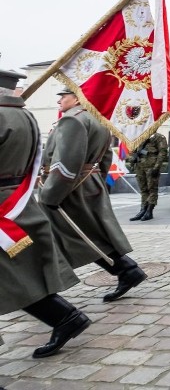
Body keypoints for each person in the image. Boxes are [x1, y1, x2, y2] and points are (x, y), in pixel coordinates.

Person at [0, 71, 91, 358]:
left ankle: (66, 318)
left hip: (5, 206)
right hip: (18, 200)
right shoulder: (24, 116)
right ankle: (66, 318)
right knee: (16, 274)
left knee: (14, 273)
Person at [40, 87, 147, 302]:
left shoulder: (72, 120)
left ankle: (44, 293)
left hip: (69, 187)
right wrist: (98, 182)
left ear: (77, 97)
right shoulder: (98, 119)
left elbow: (66, 163)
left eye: (64, 95)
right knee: (88, 233)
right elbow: (106, 157)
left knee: (77, 235)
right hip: (88, 182)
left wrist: (50, 195)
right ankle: (127, 270)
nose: (59, 99)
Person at [127, 131, 168, 221]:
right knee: (143, 189)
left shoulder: (158, 137)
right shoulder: (139, 137)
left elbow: (162, 153)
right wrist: (132, 160)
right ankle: (143, 209)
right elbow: (134, 150)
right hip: (140, 166)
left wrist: (157, 167)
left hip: (151, 167)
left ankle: (149, 211)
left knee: (152, 189)